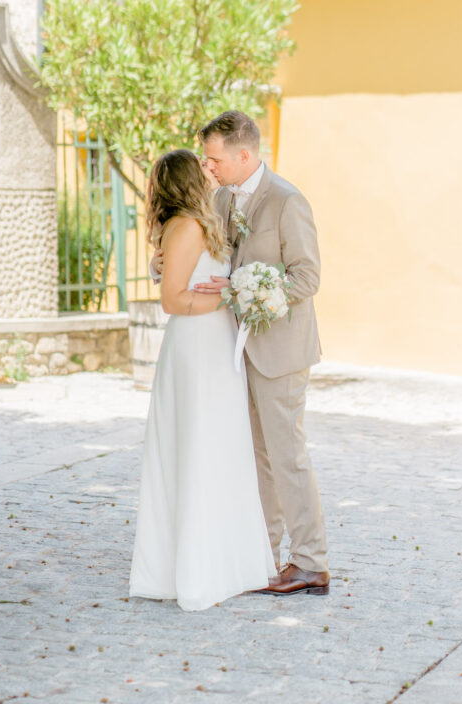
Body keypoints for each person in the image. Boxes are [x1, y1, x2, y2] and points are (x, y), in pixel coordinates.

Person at [155, 112, 329, 596]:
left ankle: (311, 562)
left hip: (280, 350)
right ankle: (263, 556)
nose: (208, 166)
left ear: (244, 155)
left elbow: (307, 277)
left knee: (288, 456)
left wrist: (242, 288)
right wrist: (163, 263)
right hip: (229, 351)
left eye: (214, 159)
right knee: (257, 459)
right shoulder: (219, 199)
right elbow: (201, 255)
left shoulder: (288, 201)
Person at [129, 149, 276, 612]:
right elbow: (173, 300)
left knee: (219, 450)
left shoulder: (198, 222)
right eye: (203, 167)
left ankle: (222, 563)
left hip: (214, 348)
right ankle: (198, 570)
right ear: (190, 180)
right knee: (199, 449)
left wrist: (235, 292)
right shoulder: (189, 226)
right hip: (196, 350)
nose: (211, 170)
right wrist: (232, 298)